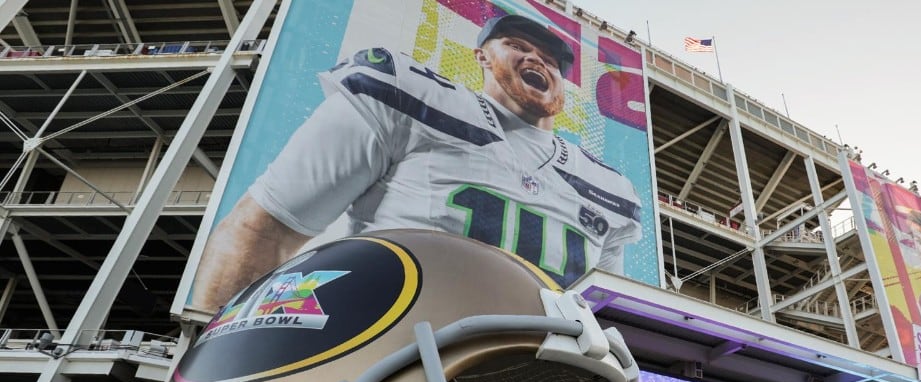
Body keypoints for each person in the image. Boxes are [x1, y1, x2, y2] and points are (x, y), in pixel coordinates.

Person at [192, 12, 643, 311]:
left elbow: (601, 314)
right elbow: (264, 229)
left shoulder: (608, 189)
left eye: (549, 60)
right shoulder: (407, 94)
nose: (535, 60)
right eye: (516, 45)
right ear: (481, 55)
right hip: (384, 371)